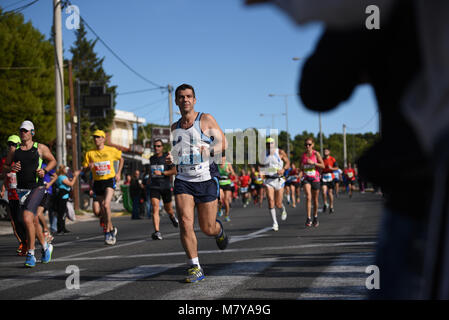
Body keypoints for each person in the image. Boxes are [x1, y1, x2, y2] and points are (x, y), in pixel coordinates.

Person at [168, 83, 228, 283]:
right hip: (184, 180)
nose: (185, 100)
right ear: (176, 101)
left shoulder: (205, 119)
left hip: (206, 179)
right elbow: (178, 155)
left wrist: (209, 151)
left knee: (207, 228)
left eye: (188, 96)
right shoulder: (174, 128)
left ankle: (218, 231)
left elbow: (223, 144)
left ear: (194, 100)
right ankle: (194, 267)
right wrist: (171, 159)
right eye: (181, 97)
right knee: (185, 222)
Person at [3, 121, 56, 267]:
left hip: (37, 188)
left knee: (27, 217)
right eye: (21, 130)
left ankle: (31, 254)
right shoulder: (15, 151)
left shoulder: (39, 148)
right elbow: (5, 168)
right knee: (32, 222)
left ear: (32, 132)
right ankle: (46, 248)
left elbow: (53, 161)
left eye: (26, 131)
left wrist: (44, 171)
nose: (23, 133)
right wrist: (11, 167)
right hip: (21, 190)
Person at [82, 129, 124, 246]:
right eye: (94, 137)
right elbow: (84, 169)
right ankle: (110, 228)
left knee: (106, 204)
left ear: (103, 139)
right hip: (97, 182)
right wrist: (88, 167)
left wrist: (119, 173)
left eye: (98, 137)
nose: (96, 139)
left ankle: (108, 232)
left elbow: (121, 159)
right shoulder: (90, 153)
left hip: (109, 180)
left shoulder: (111, 150)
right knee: (103, 210)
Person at [1, 135, 27, 256]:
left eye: (14, 144)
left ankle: (34, 239)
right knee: (14, 222)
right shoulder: (4, 161)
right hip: (11, 195)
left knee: (24, 220)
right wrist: (2, 188)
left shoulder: (22, 158)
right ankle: (22, 243)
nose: (11, 146)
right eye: (10, 144)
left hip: (22, 194)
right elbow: (3, 176)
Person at [148, 139, 179, 240]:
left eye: (158, 146)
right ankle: (157, 231)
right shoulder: (151, 158)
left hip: (165, 186)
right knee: (155, 207)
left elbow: (175, 171)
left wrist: (162, 173)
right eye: (155, 146)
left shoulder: (167, 157)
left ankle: (172, 217)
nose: (156, 148)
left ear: (162, 147)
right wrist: (148, 180)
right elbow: (150, 171)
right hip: (154, 187)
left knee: (168, 209)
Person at [260, 137, 290, 231]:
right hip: (269, 180)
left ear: (274, 144)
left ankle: (282, 209)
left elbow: (288, 162)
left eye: (271, 143)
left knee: (278, 203)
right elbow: (261, 166)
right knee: (270, 200)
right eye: (268, 144)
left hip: (279, 180)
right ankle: (275, 222)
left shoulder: (280, 152)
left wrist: (283, 169)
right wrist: (261, 173)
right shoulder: (263, 154)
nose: (270, 145)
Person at [300, 137, 324, 227]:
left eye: (309, 144)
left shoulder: (316, 154)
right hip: (306, 178)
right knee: (308, 197)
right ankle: (308, 218)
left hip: (315, 178)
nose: (307, 146)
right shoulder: (303, 155)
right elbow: (301, 167)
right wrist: (301, 169)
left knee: (315, 199)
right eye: (306, 144)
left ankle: (315, 216)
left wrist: (314, 163)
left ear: (312, 145)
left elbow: (323, 165)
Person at [55, 165, 80, 234]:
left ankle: (63, 227)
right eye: (65, 169)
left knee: (64, 212)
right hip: (62, 196)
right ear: (62, 170)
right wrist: (75, 176)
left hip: (65, 196)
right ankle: (60, 228)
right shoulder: (61, 177)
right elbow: (71, 184)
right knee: (61, 212)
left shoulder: (63, 177)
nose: (67, 170)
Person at [218, 156, 235, 222]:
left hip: (227, 183)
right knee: (220, 200)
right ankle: (220, 209)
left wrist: (229, 172)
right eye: (221, 158)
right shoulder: (217, 165)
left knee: (226, 200)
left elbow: (233, 173)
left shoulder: (228, 164)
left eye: (223, 158)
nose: (222, 160)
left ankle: (227, 215)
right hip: (220, 184)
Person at [321, 148, 338, 213]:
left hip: (331, 176)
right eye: (324, 151)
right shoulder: (322, 159)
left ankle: (331, 206)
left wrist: (331, 168)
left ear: (329, 152)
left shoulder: (332, 159)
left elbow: (337, 167)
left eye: (326, 151)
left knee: (330, 193)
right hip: (324, 177)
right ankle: (325, 203)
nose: (325, 152)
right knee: (323, 191)